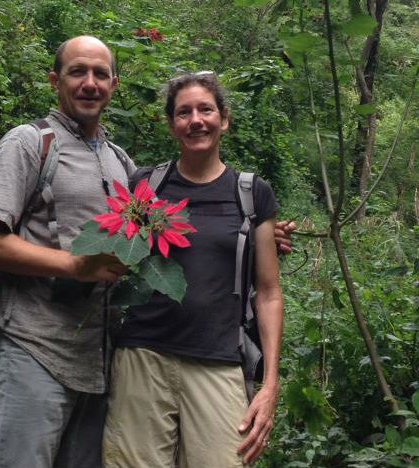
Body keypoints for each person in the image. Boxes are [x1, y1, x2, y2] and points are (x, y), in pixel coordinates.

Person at [0, 37, 294, 467]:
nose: (90, 83)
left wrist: (260, 240)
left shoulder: (120, 164)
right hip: (38, 346)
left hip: (96, 358)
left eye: (100, 74)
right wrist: (74, 265)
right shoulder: (32, 144)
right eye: (77, 72)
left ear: (114, 84)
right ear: (54, 80)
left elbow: (157, 242)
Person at [102, 72, 284, 468]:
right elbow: (117, 255)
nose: (195, 120)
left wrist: (270, 384)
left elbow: (268, 292)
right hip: (142, 357)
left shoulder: (253, 194)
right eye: (183, 113)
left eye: (206, 109)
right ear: (171, 125)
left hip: (218, 358)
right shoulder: (145, 186)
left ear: (224, 118)